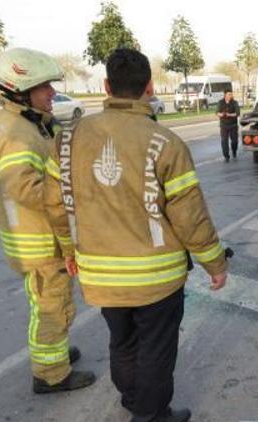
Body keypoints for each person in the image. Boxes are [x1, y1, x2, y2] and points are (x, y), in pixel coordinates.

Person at [44, 48, 228, 422]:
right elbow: (189, 216)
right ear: (150, 87)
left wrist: (68, 249)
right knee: (156, 350)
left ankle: (133, 400)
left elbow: (55, 205)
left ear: (107, 86)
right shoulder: (166, 143)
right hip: (156, 277)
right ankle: (151, 415)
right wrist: (215, 263)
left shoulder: (65, 141)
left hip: (100, 275)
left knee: (123, 342)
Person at [0, 48, 96, 394]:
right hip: (38, 241)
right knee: (50, 305)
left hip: (41, 236)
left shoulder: (29, 123)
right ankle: (50, 374)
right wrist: (72, 193)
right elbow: (25, 189)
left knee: (55, 301)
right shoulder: (14, 132)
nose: (52, 93)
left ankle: (55, 352)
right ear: (19, 90)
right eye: (44, 87)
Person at [216, 89, 240, 162]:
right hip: (224, 125)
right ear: (225, 95)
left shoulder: (235, 102)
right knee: (224, 141)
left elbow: (237, 113)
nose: (230, 96)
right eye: (229, 94)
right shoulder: (220, 102)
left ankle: (234, 151)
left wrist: (230, 114)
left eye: (231, 94)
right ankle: (226, 156)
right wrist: (222, 114)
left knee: (234, 141)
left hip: (233, 125)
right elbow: (217, 112)